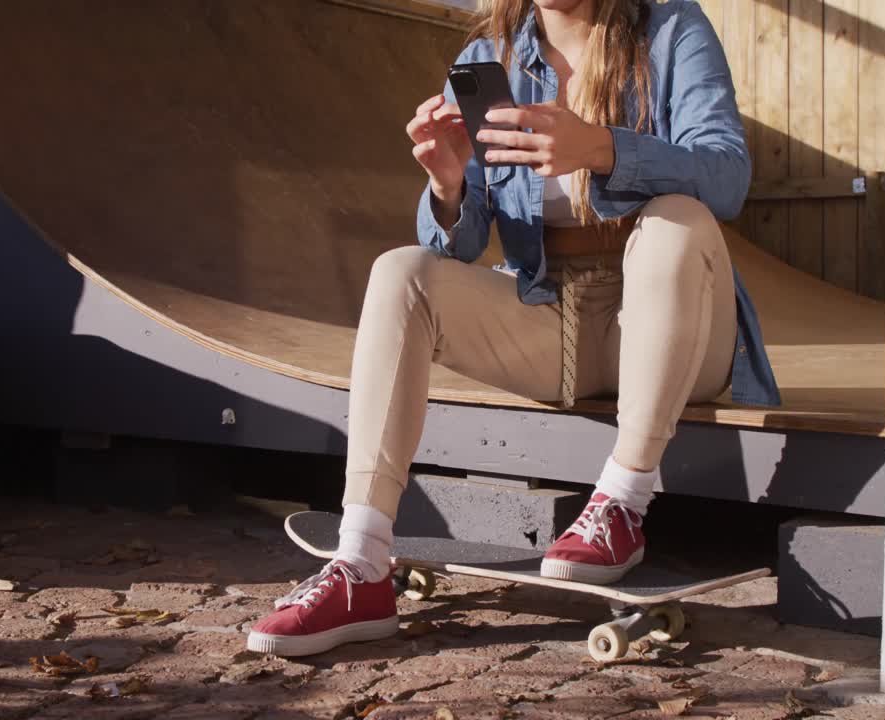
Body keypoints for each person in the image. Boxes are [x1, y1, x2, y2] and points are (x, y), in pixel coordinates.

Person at [247, 0, 780, 657]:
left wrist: (601, 148)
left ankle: (621, 504)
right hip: (550, 316)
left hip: (675, 326)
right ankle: (360, 562)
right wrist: (448, 187)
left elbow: (726, 176)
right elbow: (460, 245)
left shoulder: (671, 29)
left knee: (678, 219)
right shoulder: (487, 61)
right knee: (401, 272)